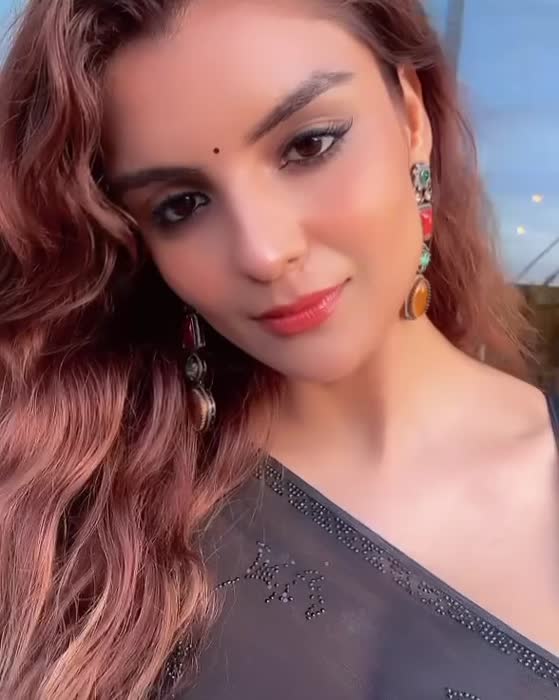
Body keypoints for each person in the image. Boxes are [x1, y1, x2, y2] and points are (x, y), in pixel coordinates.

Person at [0, 0, 557, 698]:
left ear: (411, 118)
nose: (264, 252)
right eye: (180, 205)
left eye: (310, 145)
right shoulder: (74, 512)